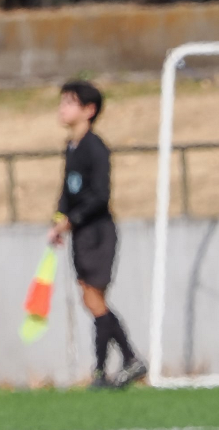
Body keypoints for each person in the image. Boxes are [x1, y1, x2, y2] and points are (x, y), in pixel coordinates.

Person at [47, 80, 147, 389]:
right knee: (91, 299)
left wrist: (71, 220)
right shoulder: (71, 146)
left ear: (89, 110)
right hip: (80, 232)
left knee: (93, 298)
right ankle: (104, 371)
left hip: (98, 232)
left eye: (70, 102)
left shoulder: (95, 146)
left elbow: (100, 195)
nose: (63, 108)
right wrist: (59, 217)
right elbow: (68, 189)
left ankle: (128, 360)